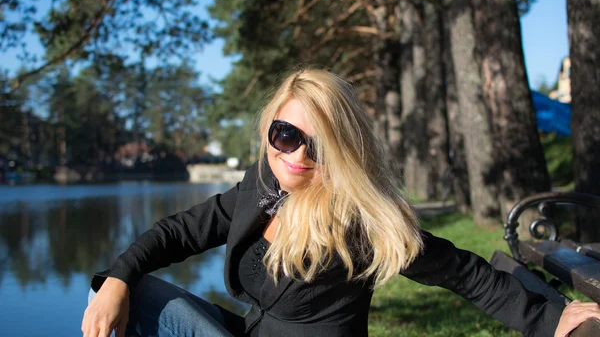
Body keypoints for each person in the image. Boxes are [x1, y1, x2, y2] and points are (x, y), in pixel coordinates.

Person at [82, 68, 600, 337]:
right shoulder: (261, 186)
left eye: (319, 143)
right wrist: (117, 281)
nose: (299, 154)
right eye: (286, 134)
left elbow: (462, 271)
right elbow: (177, 232)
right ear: (269, 131)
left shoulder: (358, 218)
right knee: (117, 292)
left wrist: (549, 319)